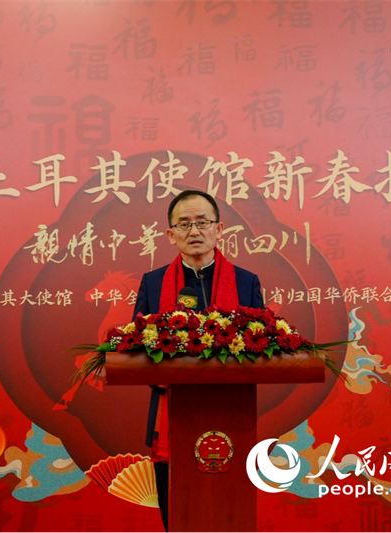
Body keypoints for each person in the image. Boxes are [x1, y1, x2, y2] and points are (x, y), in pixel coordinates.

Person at [131, 189, 264, 532]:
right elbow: (135, 348)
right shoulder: (153, 283)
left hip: (232, 412)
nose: (194, 231)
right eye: (184, 224)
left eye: (202, 222)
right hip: (171, 411)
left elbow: (263, 345)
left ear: (219, 229)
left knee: (230, 509)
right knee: (177, 510)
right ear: (170, 234)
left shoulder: (246, 282)